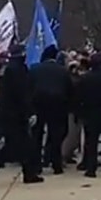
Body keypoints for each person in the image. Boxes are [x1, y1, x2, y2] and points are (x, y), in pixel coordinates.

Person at [0, 44, 42, 186]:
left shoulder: (9, 69)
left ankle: (29, 173)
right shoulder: (17, 70)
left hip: (9, 114)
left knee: (25, 145)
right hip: (15, 115)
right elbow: (22, 94)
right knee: (13, 147)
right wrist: (29, 112)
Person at [29, 46, 72, 174]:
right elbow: (69, 89)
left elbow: (29, 87)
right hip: (58, 106)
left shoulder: (34, 69)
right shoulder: (63, 71)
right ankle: (55, 163)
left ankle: (36, 165)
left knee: (36, 136)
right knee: (56, 136)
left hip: (38, 105)